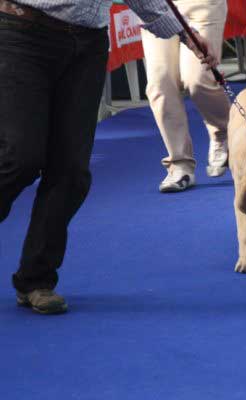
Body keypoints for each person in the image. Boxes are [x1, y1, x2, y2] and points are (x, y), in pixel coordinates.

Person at [0, 0, 217, 315]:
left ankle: (36, 280)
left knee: (71, 171)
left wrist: (187, 35)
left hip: (88, 45)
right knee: (20, 157)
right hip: (21, 32)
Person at [142, 0, 230, 193]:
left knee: (197, 78)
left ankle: (223, 131)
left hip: (202, 5)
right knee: (160, 84)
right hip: (155, 7)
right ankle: (179, 164)